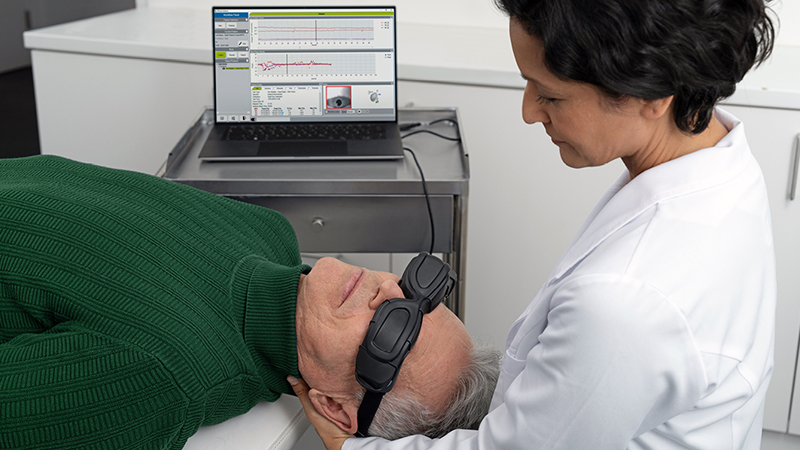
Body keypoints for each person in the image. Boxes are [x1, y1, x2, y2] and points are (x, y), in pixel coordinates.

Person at [290, 0, 778, 449]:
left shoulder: (624, 301)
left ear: (651, 95)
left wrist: (352, 447)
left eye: (550, 95)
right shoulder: (722, 160)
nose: (528, 112)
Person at [0, 155, 499, 450]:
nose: (387, 290)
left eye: (393, 332)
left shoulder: (166, 379)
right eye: (420, 290)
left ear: (332, 406)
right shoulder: (268, 231)